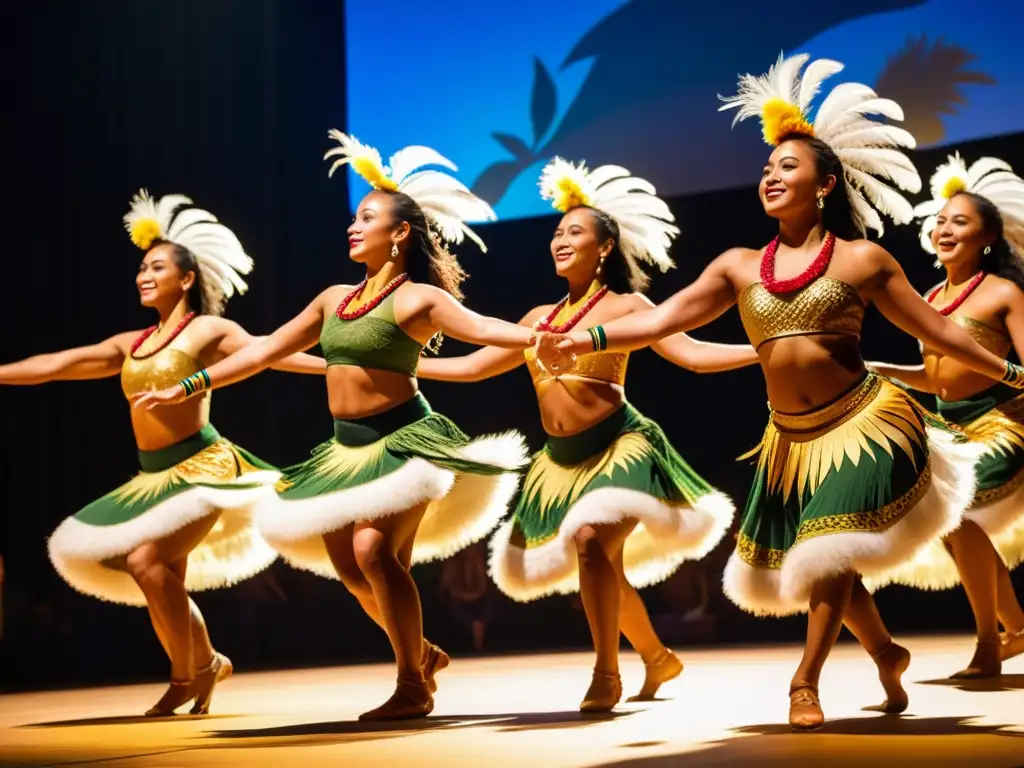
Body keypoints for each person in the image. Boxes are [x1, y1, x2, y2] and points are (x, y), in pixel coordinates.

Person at [535, 52, 1024, 729]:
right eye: (766, 169)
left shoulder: (863, 260)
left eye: (787, 167)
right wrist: (585, 342)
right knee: (818, 555)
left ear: (825, 184)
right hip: (789, 439)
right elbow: (663, 321)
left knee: (829, 549)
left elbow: (940, 332)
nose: (771, 176)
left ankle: (805, 681)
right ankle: (885, 651)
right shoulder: (738, 266)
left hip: (866, 424)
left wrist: (1010, 375)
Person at [132, 133, 537, 720]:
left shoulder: (418, 299)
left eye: (366, 217)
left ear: (399, 233)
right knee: (347, 564)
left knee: (374, 551)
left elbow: (482, 328)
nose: (353, 225)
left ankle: (411, 685)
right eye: (354, 216)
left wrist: (543, 337)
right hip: (345, 451)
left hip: (404, 441)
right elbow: (266, 349)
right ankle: (421, 654)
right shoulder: (333, 299)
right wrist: (192, 385)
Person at [418, 157, 752, 711]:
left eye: (575, 231)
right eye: (555, 232)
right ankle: (656, 656)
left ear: (605, 247)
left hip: (619, 445)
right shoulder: (534, 318)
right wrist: (402, 369)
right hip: (561, 459)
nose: (559, 240)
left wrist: (765, 351)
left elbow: (690, 355)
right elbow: (474, 368)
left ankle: (606, 673)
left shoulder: (629, 306)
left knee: (593, 543)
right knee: (602, 565)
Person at [0, 190, 325, 715]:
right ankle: (208, 663)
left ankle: (184, 675)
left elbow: (271, 354)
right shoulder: (132, 342)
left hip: (204, 468)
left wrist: (344, 363)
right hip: (153, 478)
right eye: (141, 268)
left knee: (146, 561)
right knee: (161, 577)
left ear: (187, 278)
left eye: (156, 266)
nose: (142, 275)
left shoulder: (209, 330)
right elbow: (59, 363)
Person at [868, 152, 1024, 675]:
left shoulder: (1003, 292)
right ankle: (1017, 630)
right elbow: (934, 376)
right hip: (949, 425)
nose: (944, 228)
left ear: (987, 239)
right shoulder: (930, 296)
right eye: (940, 220)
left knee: (958, 515)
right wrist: (880, 367)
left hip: (1000, 420)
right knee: (953, 525)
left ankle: (988, 644)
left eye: (960, 221)